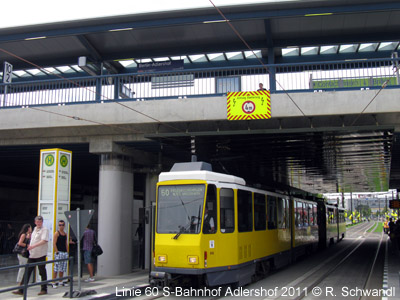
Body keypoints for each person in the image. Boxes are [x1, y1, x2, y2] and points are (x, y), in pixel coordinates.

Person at [12, 216, 49, 296]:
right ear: (35, 222)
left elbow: (44, 240)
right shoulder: (35, 229)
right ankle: (21, 289)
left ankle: (44, 289)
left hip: (40, 254)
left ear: (42, 222)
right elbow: (33, 239)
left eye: (40, 222)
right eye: (37, 222)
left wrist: (33, 246)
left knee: (42, 271)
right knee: (27, 272)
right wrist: (29, 240)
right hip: (32, 254)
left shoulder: (44, 229)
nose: (38, 223)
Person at [52, 220, 69, 288]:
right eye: (59, 225)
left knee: (62, 268)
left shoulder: (65, 234)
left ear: (64, 225)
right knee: (56, 267)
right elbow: (54, 243)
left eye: (62, 225)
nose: (61, 226)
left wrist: (67, 252)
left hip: (64, 252)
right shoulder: (57, 233)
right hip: (59, 252)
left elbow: (66, 243)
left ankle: (60, 281)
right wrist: (57, 252)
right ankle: (53, 282)